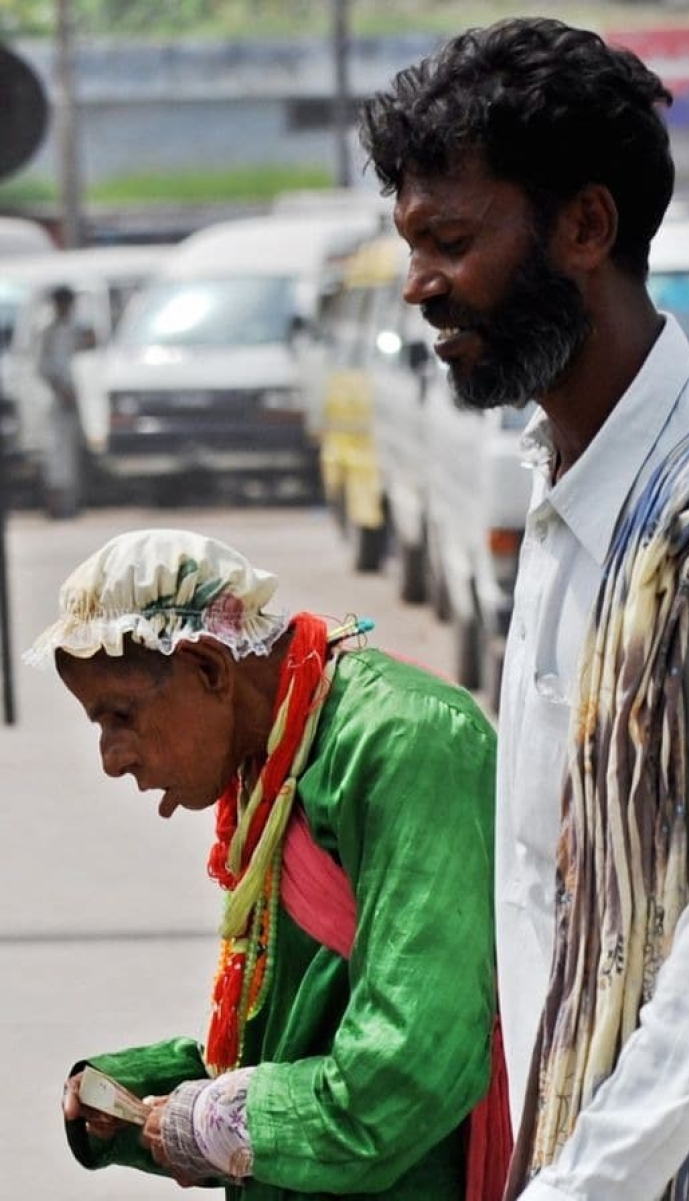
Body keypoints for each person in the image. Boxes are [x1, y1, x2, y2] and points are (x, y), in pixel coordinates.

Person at [359, 16, 689, 1201]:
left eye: (450, 241)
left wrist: (596, 1175)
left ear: (585, 227)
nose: (418, 287)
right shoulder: (562, 495)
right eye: (412, 244)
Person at [25, 526, 511, 1200]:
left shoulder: (407, 741)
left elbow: (405, 1074)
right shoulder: (270, 765)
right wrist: (142, 1097)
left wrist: (218, 1122)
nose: (112, 757)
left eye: (120, 714)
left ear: (208, 670)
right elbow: (285, 1037)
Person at [35, 284, 86, 519]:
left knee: (73, 453)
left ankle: (71, 505)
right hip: (55, 400)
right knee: (56, 454)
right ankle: (55, 506)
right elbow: (42, 367)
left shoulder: (74, 328)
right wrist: (60, 390)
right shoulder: (47, 329)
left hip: (75, 398)